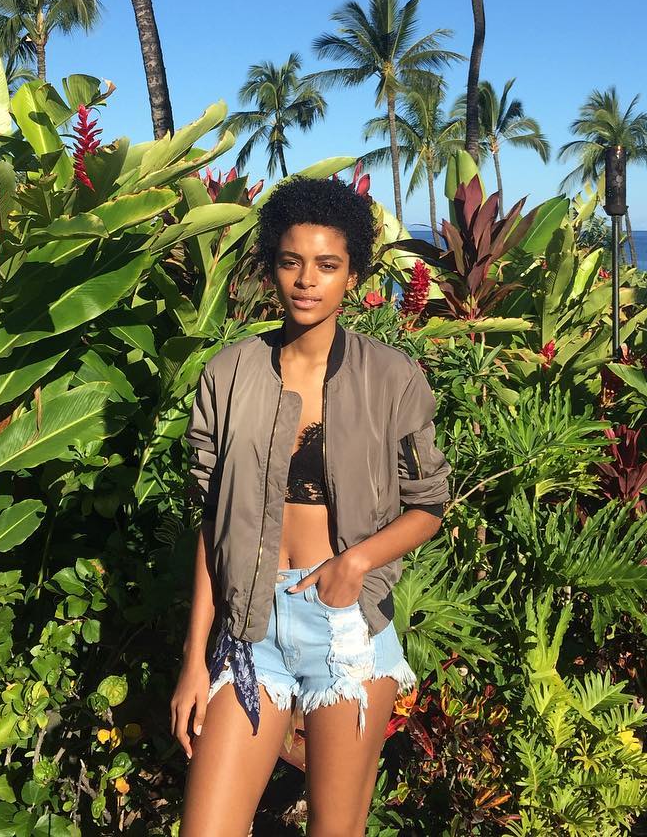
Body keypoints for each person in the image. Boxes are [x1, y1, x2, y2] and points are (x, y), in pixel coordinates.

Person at [170, 175, 451, 836]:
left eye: (327, 265)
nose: (306, 281)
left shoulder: (391, 377)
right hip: (249, 631)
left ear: (352, 275)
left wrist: (357, 563)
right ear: (272, 267)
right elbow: (213, 522)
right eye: (291, 262)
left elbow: (429, 504)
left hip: (346, 630)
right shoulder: (229, 374)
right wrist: (193, 659)